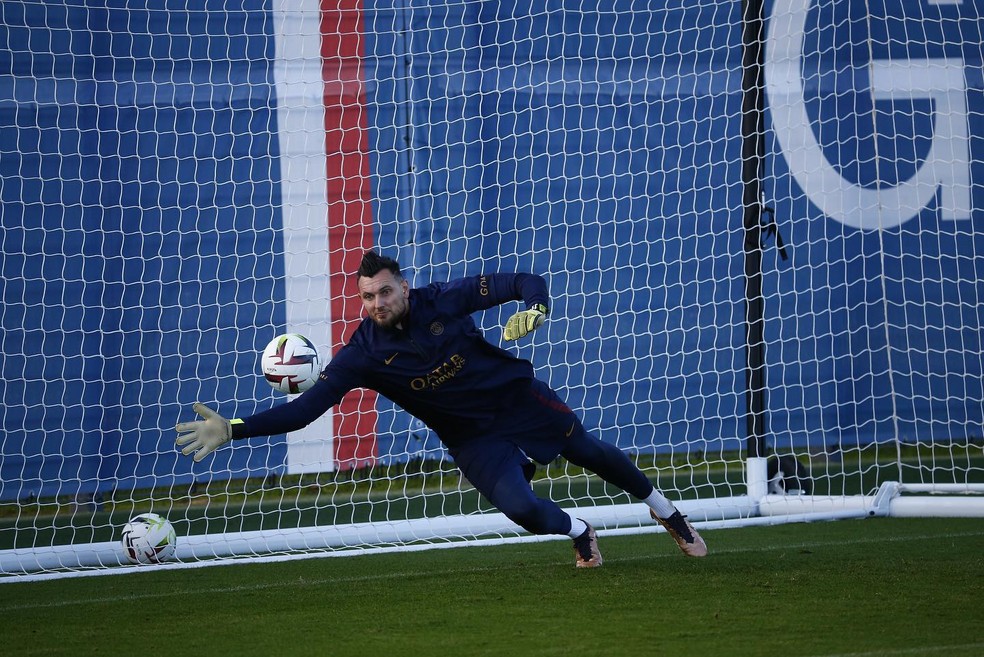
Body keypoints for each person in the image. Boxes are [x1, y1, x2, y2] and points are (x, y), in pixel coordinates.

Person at [176, 250, 707, 567]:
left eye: (385, 292)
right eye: (367, 297)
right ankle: (580, 531)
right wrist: (234, 428)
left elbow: (520, 281)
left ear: (404, 287)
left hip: (515, 398)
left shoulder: (443, 299)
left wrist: (536, 308)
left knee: (590, 451)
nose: (377, 304)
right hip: (472, 440)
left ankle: (668, 513)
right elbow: (303, 411)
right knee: (523, 511)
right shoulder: (361, 355)